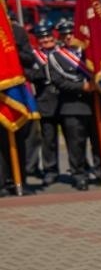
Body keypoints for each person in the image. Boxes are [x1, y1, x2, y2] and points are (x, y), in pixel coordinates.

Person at [45, 19, 100, 190]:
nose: (68, 37)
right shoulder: (55, 57)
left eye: (71, 33)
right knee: (76, 144)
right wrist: (82, 87)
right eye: (64, 35)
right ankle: (79, 175)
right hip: (72, 105)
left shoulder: (90, 53)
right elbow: (58, 81)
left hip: (95, 103)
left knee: (100, 142)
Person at [23, 21, 58, 185]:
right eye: (42, 38)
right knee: (48, 139)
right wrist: (46, 71)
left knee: (74, 139)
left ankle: (80, 167)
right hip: (45, 99)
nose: (46, 40)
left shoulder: (63, 52)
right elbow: (29, 74)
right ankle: (50, 170)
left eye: (48, 36)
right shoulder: (33, 56)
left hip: (65, 100)